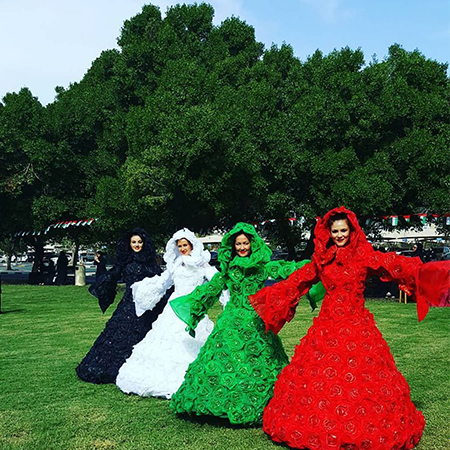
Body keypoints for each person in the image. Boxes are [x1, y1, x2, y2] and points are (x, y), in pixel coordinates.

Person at [249, 206, 450, 450]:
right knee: (320, 378)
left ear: (351, 230)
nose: (339, 235)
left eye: (343, 230)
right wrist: (275, 296)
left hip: (357, 325)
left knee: (364, 379)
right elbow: (300, 279)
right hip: (327, 325)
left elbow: (392, 264)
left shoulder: (363, 255)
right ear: (328, 233)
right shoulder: (322, 259)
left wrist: (424, 272)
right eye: (335, 231)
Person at [169, 222, 324, 425]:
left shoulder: (262, 266)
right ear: (233, 246)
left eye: (245, 243)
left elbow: (288, 269)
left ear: (252, 244)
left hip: (255, 319)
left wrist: (314, 267)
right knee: (223, 357)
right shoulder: (228, 270)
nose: (242, 247)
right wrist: (195, 310)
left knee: (260, 358)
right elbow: (211, 290)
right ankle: (214, 405)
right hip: (231, 319)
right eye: (238, 244)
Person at [116, 228, 228, 399]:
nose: (183, 248)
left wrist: (224, 296)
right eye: (180, 246)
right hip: (173, 307)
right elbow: (163, 282)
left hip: (192, 306)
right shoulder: (175, 265)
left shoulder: (201, 264)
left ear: (191, 245)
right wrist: (145, 288)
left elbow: (217, 281)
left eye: (185, 245)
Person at [76, 228, 170, 384]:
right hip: (129, 304)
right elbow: (114, 273)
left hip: (148, 306)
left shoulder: (150, 261)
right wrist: (104, 280)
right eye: (134, 242)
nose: (137, 245)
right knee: (119, 334)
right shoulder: (125, 260)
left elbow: (160, 278)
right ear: (129, 243)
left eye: (139, 242)